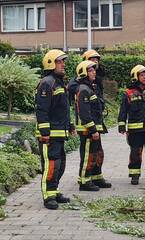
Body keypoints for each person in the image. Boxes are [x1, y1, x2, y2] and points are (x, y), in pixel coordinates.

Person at [35, 49, 72, 209]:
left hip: (59, 132)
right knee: (51, 165)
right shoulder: (46, 83)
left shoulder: (58, 83)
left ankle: (54, 190)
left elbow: (63, 109)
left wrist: (69, 125)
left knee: (60, 164)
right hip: (49, 135)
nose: (63, 64)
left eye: (63, 61)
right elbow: (42, 110)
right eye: (59, 61)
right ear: (50, 63)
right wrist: (45, 133)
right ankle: (48, 195)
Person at [74, 59, 111, 191]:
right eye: (90, 70)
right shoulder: (83, 89)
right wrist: (92, 129)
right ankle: (84, 181)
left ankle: (96, 177)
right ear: (83, 73)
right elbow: (84, 113)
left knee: (97, 154)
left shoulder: (90, 87)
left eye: (94, 69)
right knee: (88, 156)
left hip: (94, 128)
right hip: (87, 130)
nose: (94, 72)